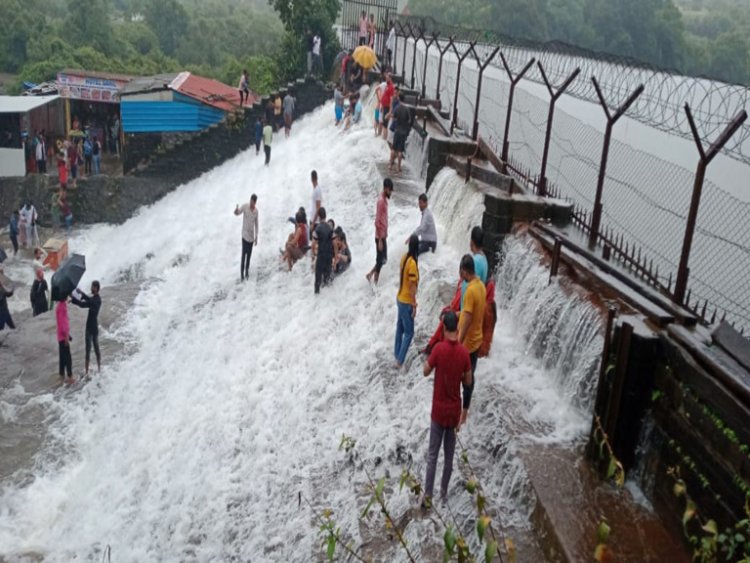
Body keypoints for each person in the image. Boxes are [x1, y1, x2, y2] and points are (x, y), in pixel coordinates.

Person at [421, 310, 472, 508]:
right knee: (449, 456)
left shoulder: (439, 350)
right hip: (453, 413)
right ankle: (443, 495)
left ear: (443, 327)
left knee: (432, 456)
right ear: (457, 327)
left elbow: (425, 372)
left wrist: (430, 361)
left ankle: (427, 497)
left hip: (438, 411)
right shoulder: (464, 353)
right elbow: (468, 381)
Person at [457, 254, 486, 426]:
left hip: (467, 344)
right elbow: (469, 314)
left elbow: (467, 319)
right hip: (477, 341)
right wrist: (456, 314)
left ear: (464, 271)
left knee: (464, 379)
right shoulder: (480, 285)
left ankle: (461, 415)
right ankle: (464, 413)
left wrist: (458, 343)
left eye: (460, 272)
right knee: (469, 377)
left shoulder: (470, 290)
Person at [395, 235, 420, 368]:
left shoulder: (405, 257)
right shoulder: (412, 264)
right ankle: (400, 361)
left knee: (399, 328)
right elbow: (412, 287)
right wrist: (414, 304)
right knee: (409, 332)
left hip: (399, 297)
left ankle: (396, 354)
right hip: (406, 301)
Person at [366, 178, 393, 285]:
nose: (391, 192)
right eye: (390, 190)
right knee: (380, 259)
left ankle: (370, 274)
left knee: (384, 259)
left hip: (383, 236)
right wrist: (381, 240)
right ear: (386, 188)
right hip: (379, 237)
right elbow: (377, 221)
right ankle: (375, 283)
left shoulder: (384, 200)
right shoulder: (381, 201)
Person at [72, 281, 102, 375]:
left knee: (88, 350)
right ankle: (98, 369)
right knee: (96, 349)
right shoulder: (97, 299)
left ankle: (87, 372)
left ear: (96, 288)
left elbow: (83, 304)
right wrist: (81, 293)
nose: (91, 289)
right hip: (94, 327)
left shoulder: (96, 300)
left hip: (90, 328)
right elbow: (89, 299)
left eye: (92, 287)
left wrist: (72, 298)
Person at [234, 194, 259, 282]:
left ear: (255, 202)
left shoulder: (256, 211)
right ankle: (242, 276)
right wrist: (236, 211)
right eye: (250, 201)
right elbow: (238, 213)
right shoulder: (245, 206)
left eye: (253, 202)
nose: (251, 203)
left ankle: (247, 273)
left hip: (251, 238)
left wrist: (256, 237)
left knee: (249, 256)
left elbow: (256, 225)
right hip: (244, 236)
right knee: (243, 255)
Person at [312, 207, 334, 294]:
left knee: (318, 280)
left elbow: (314, 243)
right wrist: (334, 255)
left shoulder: (317, 229)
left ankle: (317, 299)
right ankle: (327, 302)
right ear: (325, 215)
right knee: (327, 280)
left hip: (321, 256)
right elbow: (334, 242)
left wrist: (314, 254)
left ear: (318, 217)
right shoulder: (330, 228)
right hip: (329, 256)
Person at [390, 93, 412, 173]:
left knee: (393, 149)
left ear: (399, 98)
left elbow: (393, 117)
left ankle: (390, 165)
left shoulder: (397, 108)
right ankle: (398, 167)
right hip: (403, 132)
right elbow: (409, 120)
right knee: (400, 151)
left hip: (397, 130)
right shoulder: (407, 109)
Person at [56, 297, 74, 384]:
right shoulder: (62, 307)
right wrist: (66, 336)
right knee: (67, 358)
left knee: (62, 358)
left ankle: (61, 376)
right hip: (63, 337)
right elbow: (63, 323)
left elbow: (62, 322)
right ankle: (70, 378)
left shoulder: (61, 305)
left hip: (61, 336)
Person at [380, 74, 395, 140]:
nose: (386, 79)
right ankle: (383, 137)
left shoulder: (391, 87)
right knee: (384, 123)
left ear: (390, 78)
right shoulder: (387, 85)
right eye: (386, 78)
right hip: (384, 106)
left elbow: (391, 99)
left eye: (387, 78)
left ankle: (384, 139)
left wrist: (390, 111)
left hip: (387, 107)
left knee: (385, 124)